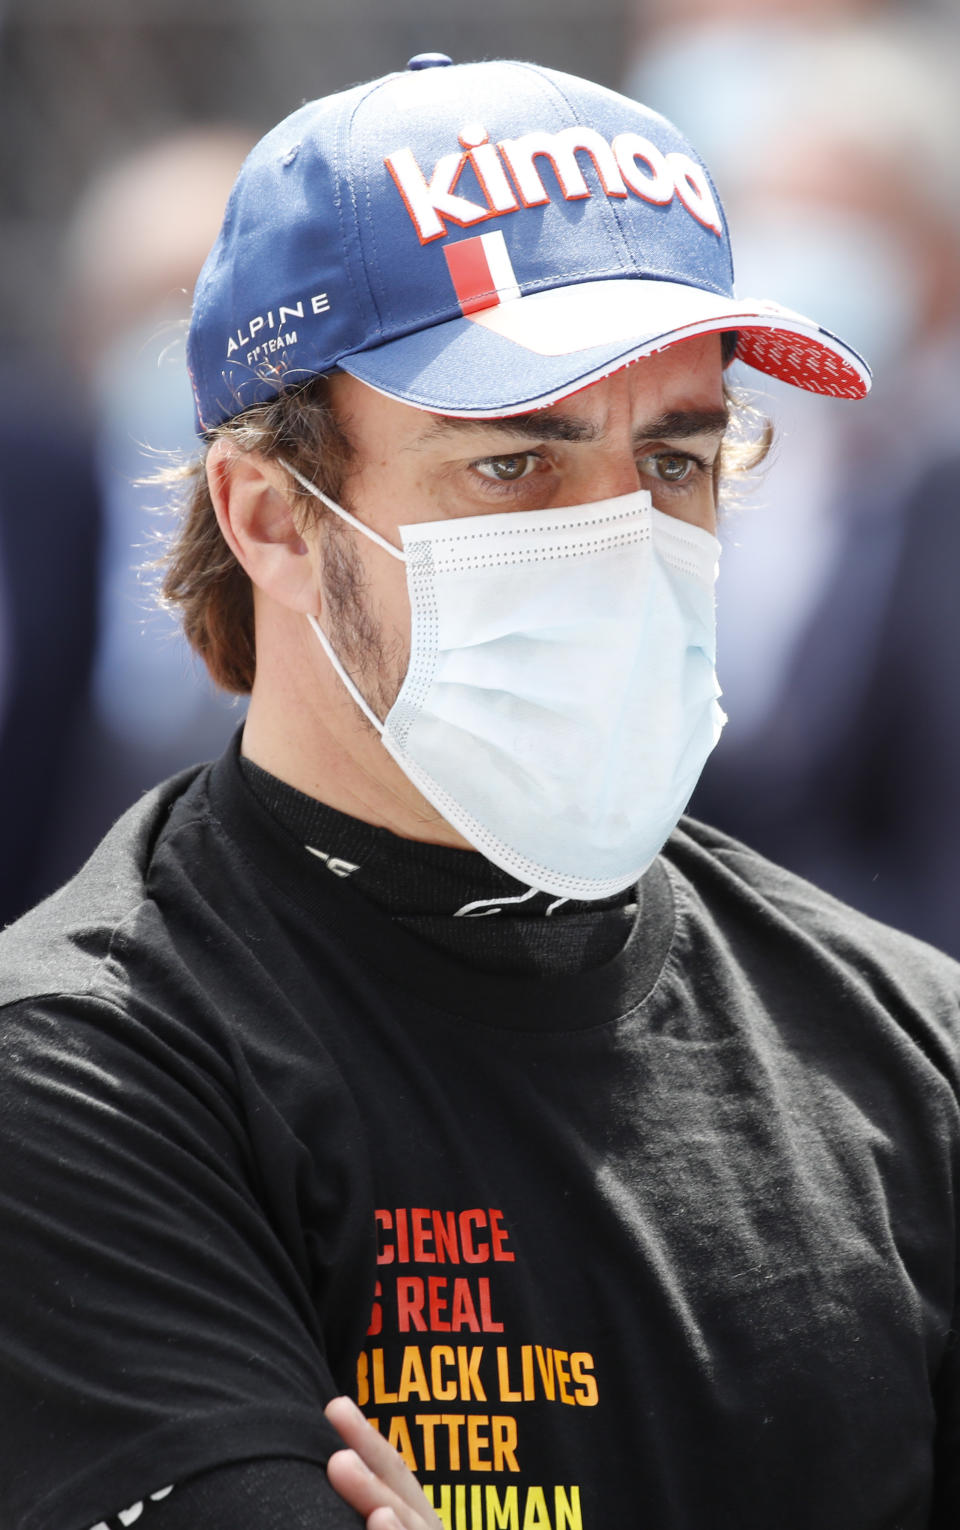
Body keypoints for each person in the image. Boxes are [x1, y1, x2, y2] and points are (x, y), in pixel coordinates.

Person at [0, 54, 957, 1530]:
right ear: (270, 514)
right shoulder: (88, 1072)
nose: (625, 535)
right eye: (515, 463)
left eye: (678, 458)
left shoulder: (907, 1044)